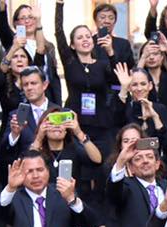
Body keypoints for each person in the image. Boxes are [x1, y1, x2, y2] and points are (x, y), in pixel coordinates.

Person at [54, 0, 117, 146]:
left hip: (100, 123)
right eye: (80, 37)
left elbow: (116, 81)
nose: (85, 40)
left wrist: (110, 53)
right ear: (72, 45)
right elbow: (59, 32)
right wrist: (59, 5)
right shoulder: (70, 63)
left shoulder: (102, 64)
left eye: (88, 36)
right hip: (76, 122)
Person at [106, 136, 167, 227]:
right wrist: (121, 162)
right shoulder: (127, 186)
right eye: (138, 159)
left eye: (149, 157)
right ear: (131, 168)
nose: (145, 161)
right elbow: (114, 193)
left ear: (157, 164)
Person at [0, 0, 62, 105]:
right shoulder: (13, 41)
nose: (27, 21)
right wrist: (2, 5)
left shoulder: (48, 46)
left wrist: (58, 103)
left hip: (47, 97)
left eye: (31, 17)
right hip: (25, 96)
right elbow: (2, 27)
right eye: (23, 18)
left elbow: (53, 77)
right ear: (16, 23)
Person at [113, 64, 167, 156]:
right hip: (130, 157)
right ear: (129, 87)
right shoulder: (125, 108)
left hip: (153, 159)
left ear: (150, 86)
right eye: (134, 84)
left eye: (143, 84)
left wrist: (155, 117)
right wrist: (124, 88)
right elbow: (117, 122)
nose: (139, 88)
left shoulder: (160, 109)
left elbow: (166, 143)